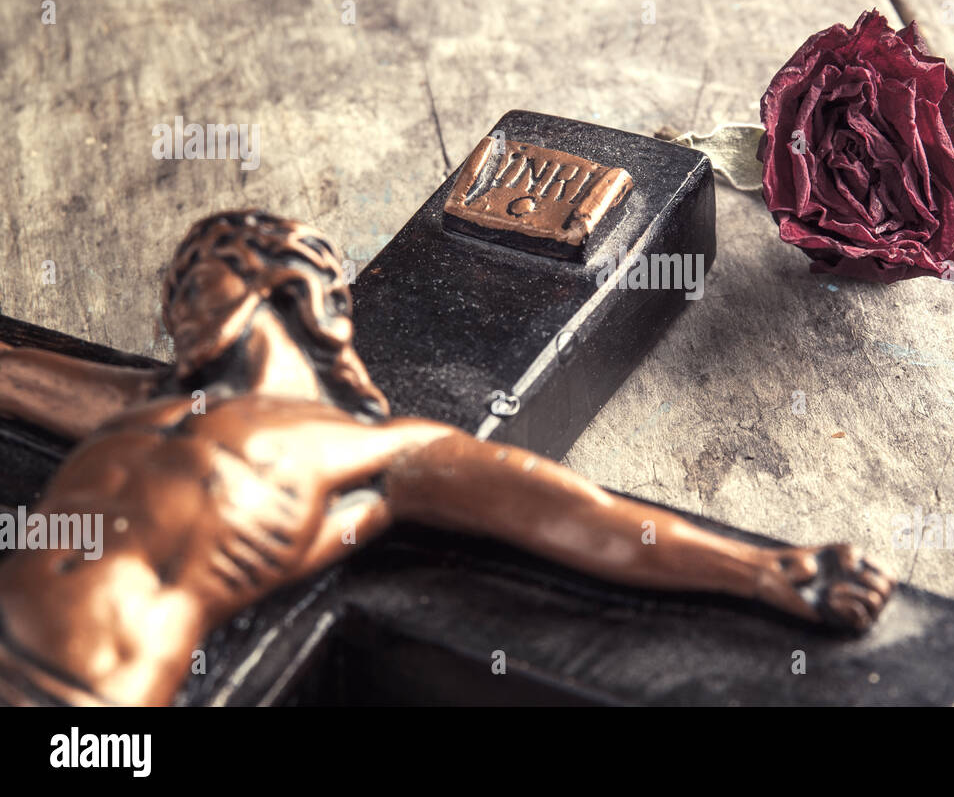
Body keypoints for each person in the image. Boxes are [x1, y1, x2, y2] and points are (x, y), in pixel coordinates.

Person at [0, 210, 892, 706]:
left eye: (197, 276)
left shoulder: (383, 452)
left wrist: (768, 569)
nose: (175, 306)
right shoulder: (139, 401)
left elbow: (578, 516)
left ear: (284, 283)